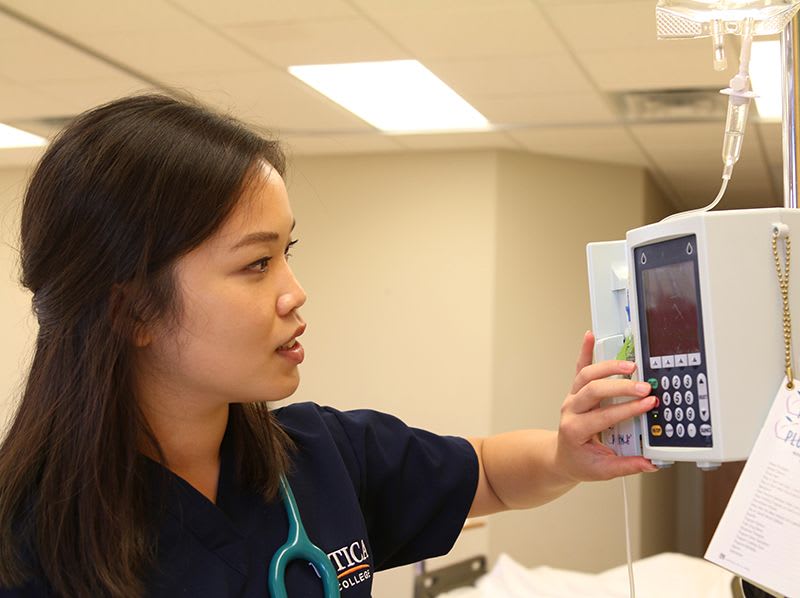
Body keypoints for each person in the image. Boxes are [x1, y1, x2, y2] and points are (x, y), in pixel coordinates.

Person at [0, 94, 658, 598]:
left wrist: (566, 453)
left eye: (286, 253)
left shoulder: (321, 458)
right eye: (257, 264)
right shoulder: (25, 543)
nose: (295, 293)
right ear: (132, 309)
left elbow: (485, 473)